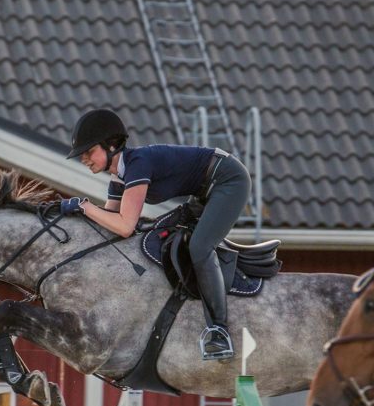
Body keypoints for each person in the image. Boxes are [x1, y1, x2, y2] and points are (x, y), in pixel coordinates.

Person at [60, 108, 250, 360]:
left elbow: (125, 226)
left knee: (199, 246)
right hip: (203, 191)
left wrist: (84, 206)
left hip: (228, 179)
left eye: (89, 151)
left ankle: (219, 331)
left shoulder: (138, 164)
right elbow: (109, 223)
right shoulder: (119, 177)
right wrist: (77, 214)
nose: (84, 159)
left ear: (112, 145)